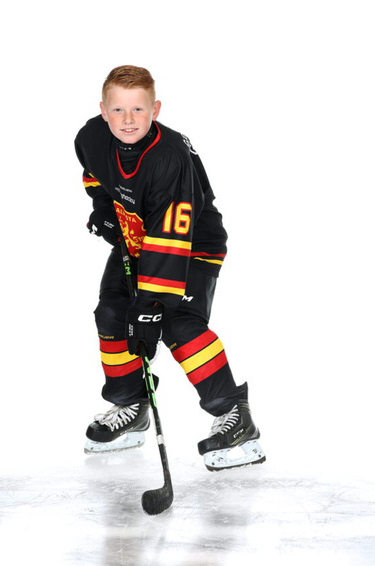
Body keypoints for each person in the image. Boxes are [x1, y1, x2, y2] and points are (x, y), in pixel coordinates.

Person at [74, 65, 265, 470]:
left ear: (155, 110)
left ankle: (235, 414)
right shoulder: (92, 136)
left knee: (178, 324)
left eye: (138, 109)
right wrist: (104, 206)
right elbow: (94, 173)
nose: (128, 119)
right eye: (118, 109)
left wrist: (150, 306)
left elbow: (170, 239)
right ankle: (131, 405)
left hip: (191, 246)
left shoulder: (169, 158)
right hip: (139, 237)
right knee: (111, 313)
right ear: (103, 111)